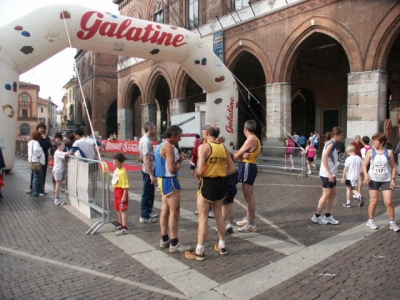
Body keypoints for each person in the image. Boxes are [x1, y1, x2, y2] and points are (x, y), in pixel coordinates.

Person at [185, 125, 236, 260]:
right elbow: (232, 169)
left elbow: (200, 170)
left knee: (203, 218)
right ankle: (222, 245)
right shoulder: (223, 147)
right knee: (219, 215)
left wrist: (197, 174)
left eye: (203, 131)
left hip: (207, 184)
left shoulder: (204, 147)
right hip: (220, 184)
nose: (202, 133)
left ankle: (200, 250)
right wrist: (219, 173)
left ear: (207, 133)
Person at [155, 125, 193, 253]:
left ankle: (164, 238)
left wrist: (179, 160)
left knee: (165, 209)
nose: (180, 139)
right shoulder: (169, 147)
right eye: (179, 136)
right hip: (169, 180)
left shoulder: (161, 145)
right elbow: (172, 169)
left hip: (162, 180)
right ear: (172, 135)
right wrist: (180, 162)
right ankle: (174, 243)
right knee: (175, 212)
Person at [362, 133, 399, 232]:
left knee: (389, 201)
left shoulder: (389, 152)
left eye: (375, 141)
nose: (373, 143)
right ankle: (371, 220)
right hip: (373, 179)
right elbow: (364, 165)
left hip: (386, 179)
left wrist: (393, 179)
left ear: (382, 142)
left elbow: (393, 167)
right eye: (373, 141)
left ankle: (392, 222)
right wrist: (366, 175)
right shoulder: (370, 152)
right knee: (374, 200)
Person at [311, 126, 344, 225]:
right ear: (336, 135)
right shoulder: (331, 144)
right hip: (327, 174)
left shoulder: (332, 143)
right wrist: (329, 173)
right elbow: (324, 158)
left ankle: (328, 215)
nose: (342, 137)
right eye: (341, 135)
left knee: (333, 193)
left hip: (331, 173)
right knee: (326, 195)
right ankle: (316, 216)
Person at [234, 120, 261, 232]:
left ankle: (251, 223)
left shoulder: (250, 140)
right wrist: (240, 154)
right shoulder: (256, 139)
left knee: (248, 196)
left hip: (247, 167)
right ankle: (248, 218)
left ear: (245, 129)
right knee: (248, 196)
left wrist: (239, 154)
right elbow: (240, 154)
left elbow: (236, 155)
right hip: (249, 166)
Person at [68, 128, 105, 200]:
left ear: (77, 135)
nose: (75, 137)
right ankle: (93, 197)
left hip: (85, 163)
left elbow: (70, 153)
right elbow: (103, 144)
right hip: (94, 162)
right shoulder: (91, 140)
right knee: (94, 181)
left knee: (85, 180)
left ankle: (85, 196)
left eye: (75, 135)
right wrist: (97, 151)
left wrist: (66, 154)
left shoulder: (77, 142)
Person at [190, 134, 214, 218]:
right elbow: (194, 154)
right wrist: (192, 167)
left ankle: (210, 209)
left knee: (210, 190)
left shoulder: (214, 143)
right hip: (201, 168)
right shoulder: (199, 142)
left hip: (210, 170)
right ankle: (202, 208)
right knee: (201, 189)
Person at [139, 122, 158, 223]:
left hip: (149, 170)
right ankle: (144, 216)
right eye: (154, 129)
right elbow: (146, 158)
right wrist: (150, 174)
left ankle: (148, 211)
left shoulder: (145, 140)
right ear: (149, 129)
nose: (156, 131)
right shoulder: (145, 141)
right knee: (147, 193)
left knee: (150, 192)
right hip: (148, 171)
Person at [27, 123, 51, 194]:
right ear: (37, 129)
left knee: (43, 173)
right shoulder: (35, 137)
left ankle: (41, 188)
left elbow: (48, 145)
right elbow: (37, 147)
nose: (41, 129)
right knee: (34, 173)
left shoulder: (46, 137)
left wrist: (44, 139)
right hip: (36, 159)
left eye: (43, 128)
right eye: (40, 128)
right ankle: (32, 188)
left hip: (44, 157)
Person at [111, 153, 130, 235]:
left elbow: (126, 185)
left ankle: (125, 227)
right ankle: (120, 224)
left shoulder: (123, 172)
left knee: (122, 210)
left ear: (122, 162)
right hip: (116, 190)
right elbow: (115, 177)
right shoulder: (116, 170)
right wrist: (108, 172)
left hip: (122, 192)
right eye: (114, 161)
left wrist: (124, 196)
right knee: (118, 209)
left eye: (116, 162)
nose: (114, 163)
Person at [223, 153, 238, 234]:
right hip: (232, 189)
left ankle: (222, 225)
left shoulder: (224, 169)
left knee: (223, 209)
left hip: (224, 190)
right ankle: (230, 225)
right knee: (231, 207)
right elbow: (237, 180)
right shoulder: (234, 170)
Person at [28, 130, 45, 197]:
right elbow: (36, 149)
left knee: (35, 176)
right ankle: (36, 192)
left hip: (32, 161)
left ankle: (36, 191)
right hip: (36, 161)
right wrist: (39, 155)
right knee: (37, 177)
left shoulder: (30, 142)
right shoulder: (36, 143)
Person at [52, 141, 69, 206]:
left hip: (59, 169)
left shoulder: (60, 152)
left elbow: (66, 153)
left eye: (64, 145)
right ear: (58, 146)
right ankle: (56, 198)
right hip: (57, 170)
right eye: (62, 145)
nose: (64, 146)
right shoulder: (58, 152)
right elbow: (67, 154)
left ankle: (57, 197)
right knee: (58, 184)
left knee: (59, 183)